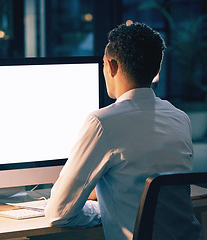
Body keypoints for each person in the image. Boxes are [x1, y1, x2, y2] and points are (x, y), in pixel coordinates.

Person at [45, 22, 202, 240]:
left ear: (110, 66)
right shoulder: (180, 118)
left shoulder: (102, 123)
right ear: (157, 71)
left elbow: (59, 213)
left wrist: (103, 212)